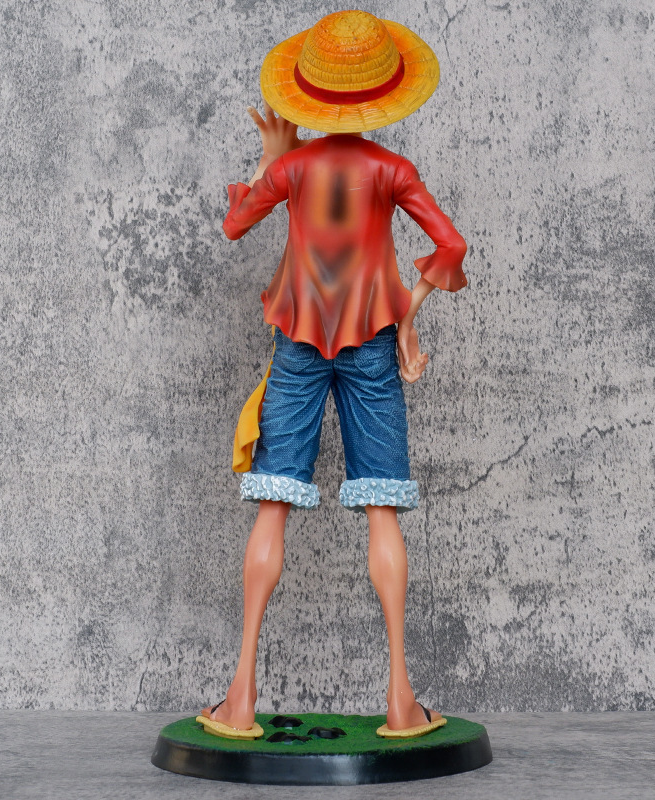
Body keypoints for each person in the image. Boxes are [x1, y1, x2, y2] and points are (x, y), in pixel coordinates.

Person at [198, 10, 467, 740]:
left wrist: (270, 160)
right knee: (382, 507)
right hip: (372, 343)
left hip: (298, 340)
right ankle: (402, 701)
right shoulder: (392, 169)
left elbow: (234, 224)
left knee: (273, 502)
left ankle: (240, 698)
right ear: (383, 90)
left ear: (311, 91)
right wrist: (406, 313)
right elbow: (450, 246)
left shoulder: (294, 169)